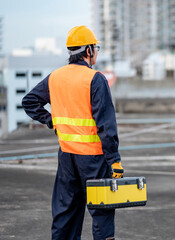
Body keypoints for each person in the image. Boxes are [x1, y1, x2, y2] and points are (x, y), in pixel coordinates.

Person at [22, 25, 123, 240]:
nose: (96, 52)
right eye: (95, 48)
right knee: (101, 211)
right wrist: (114, 160)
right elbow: (106, 124)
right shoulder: (95, 79)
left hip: (67, 156)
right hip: (94, 159)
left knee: (66, 211)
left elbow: (29, 101)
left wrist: (52, 122)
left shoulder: (55, 77)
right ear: (88, 51)